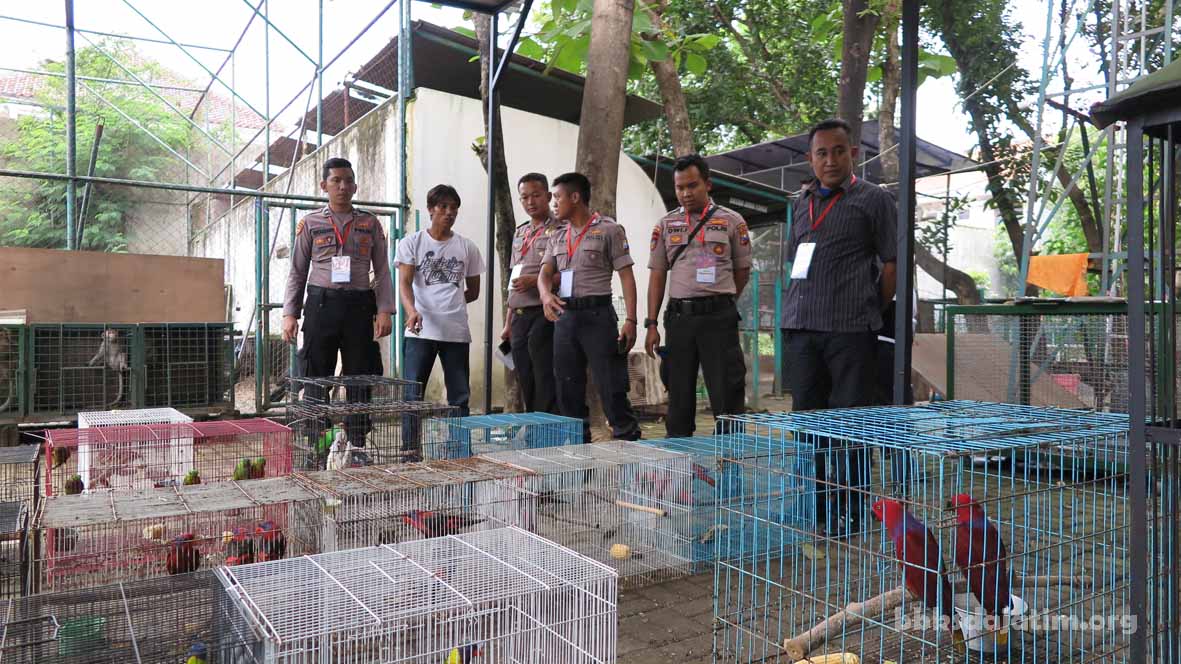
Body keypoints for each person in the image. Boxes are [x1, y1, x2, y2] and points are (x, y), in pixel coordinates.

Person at [779, 118, 897, 537]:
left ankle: (849, 513)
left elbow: (890, 265)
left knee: (848, 425)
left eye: (839, 151)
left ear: (854, 154)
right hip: (801, 327)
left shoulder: (873, 200)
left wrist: (870, 309)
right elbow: (795, 261)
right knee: (808, 425)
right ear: (810, 159)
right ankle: (814, 508)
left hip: (850, 331)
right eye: (821, 153)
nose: (830, 160)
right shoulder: (799, 201)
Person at [282, 157, 395, 465]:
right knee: (317, 376)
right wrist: (290, 313)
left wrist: (385, 310)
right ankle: (317, 446)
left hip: (360, 306)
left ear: (355, 185)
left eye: (348, 181)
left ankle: (357, 445)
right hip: (321, 305)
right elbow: (297, 271)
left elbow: (383, 270)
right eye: (336, 181)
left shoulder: (370, 223)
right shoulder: (311, 223)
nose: (343, 187)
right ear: (324, 186)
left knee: (360, 376)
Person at [644, 154, 752, 437]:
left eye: (692, 186)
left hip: (719, 319)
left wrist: (722, 300)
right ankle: (680, 469)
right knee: (678, 398)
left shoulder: (732, 221)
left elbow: (742, 271)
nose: (685, 193)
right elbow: (657, 275)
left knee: (727, 396)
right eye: (679, 187)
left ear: (708, 184)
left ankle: (730, 468)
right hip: (679, 320)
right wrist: (651, 323)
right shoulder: (665, 225)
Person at [538, 172, 642, 442]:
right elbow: (544, 274)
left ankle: (629, 448)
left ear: (575, 197)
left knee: (612, 387)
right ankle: (577, 456)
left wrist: (631, 320)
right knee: (567, 390)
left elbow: (626, 276)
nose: (554, 204)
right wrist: (545, 296)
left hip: (598, 317)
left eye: (558, 197)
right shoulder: (557, 236)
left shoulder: (609, 230)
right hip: (565, 317)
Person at [396, 184, 484, 419]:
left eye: (454, 208)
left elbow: (473, 291)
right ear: (430, 209)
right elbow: (404, 283)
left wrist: (451, 304)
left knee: (459, 396)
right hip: (420, 330)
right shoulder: (411, 243)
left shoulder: (467, 247)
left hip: (455, 331)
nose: (449, 212)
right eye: (443, 206)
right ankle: (409, 451)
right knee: (412, 395)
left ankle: (459, 449)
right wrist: (411, 310)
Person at [501, 173, 563, 413]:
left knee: (544, 373)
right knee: (524, 374)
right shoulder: (520, 233)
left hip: (543, 312)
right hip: (518, 314)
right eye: (524, 197)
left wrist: (535, 281)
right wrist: (508, 322)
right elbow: (513, 280)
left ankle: (547, 427)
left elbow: (567, 274)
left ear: (548, 196)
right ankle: (532, 422)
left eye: (536, 195)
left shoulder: (560, 229)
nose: (530, 202)